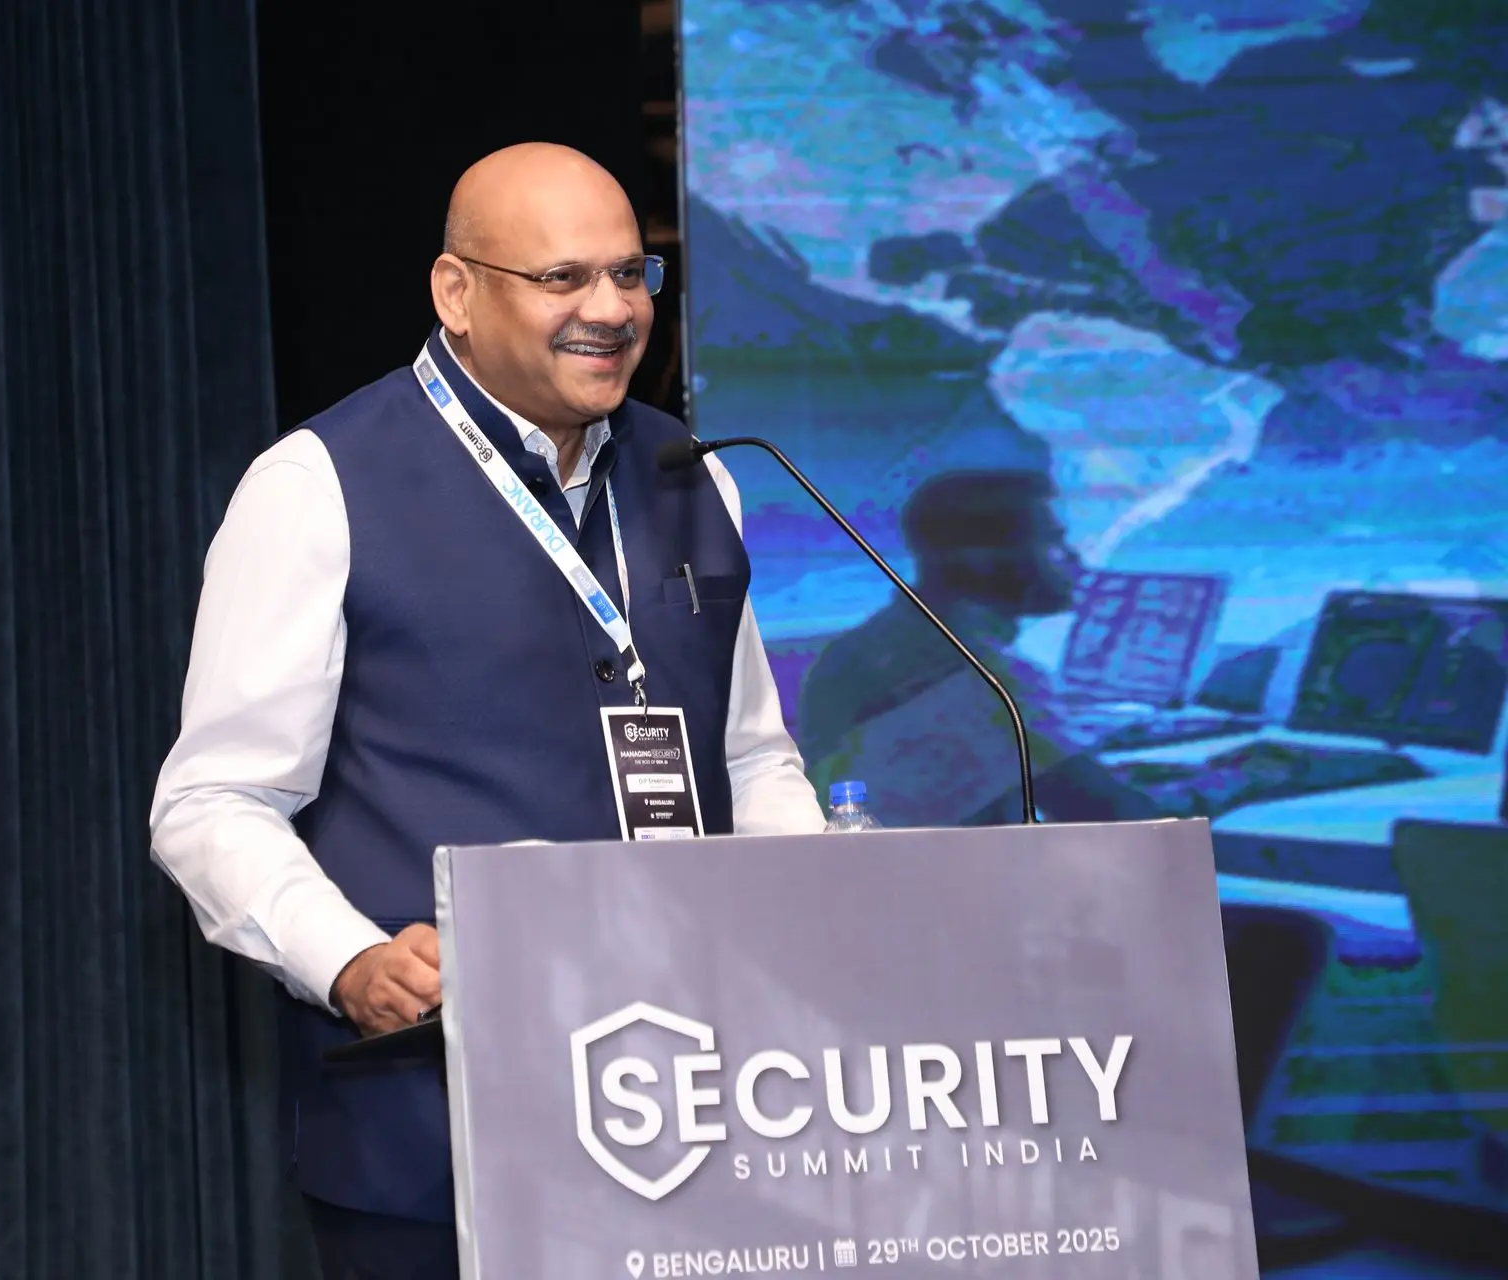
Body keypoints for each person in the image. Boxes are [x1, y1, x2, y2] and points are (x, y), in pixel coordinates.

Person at [148, 143, 825, 1280]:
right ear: (455, 293)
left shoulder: (695, 472)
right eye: (563, 278)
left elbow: (751, 758)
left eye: (630, 274)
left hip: (710, 1108)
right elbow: (212, 801)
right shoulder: (317, 484)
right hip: (437, 1132)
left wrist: (829, 927)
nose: (611, 309)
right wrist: (349, 960)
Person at [798, 468, 1162, 828]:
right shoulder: (981, 677)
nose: (1075, 559)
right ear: (980, 559)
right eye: (1053, 542)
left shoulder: (859, 650)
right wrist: (1193, 797)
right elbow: (1113, 816)